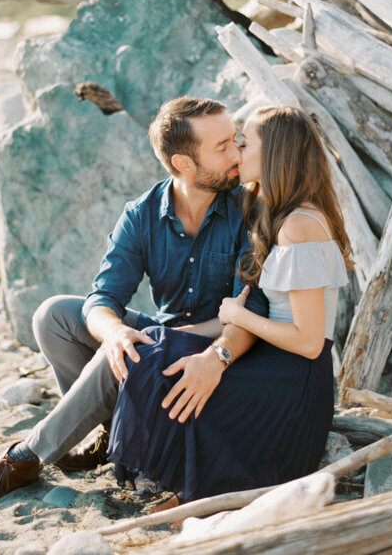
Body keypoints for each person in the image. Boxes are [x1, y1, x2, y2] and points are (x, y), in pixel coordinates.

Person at [0, 96, 269, 512]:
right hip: (160, 344)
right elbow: (102, 298)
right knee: (55, 316)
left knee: (142, 343)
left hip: (214, 358)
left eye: (234, 140)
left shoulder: (249, 211)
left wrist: (213, 353)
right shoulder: (142, 215)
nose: (236, 153)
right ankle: (111, 429)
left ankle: (24, 458)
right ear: (185, 164)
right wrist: (114, 332)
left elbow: (252, 313)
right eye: (221, 146)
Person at [108, 105, 351, 503]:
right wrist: (179, 332)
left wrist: (238, 316)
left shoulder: (298, 226)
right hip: (275, 366)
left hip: (294, 382)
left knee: (158, 363)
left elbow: (309, 342)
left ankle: (169, 477)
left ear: (273, 154)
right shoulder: (282, 216)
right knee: (158, 345)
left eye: (244, 142)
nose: (237, 153)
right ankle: (160, 475)